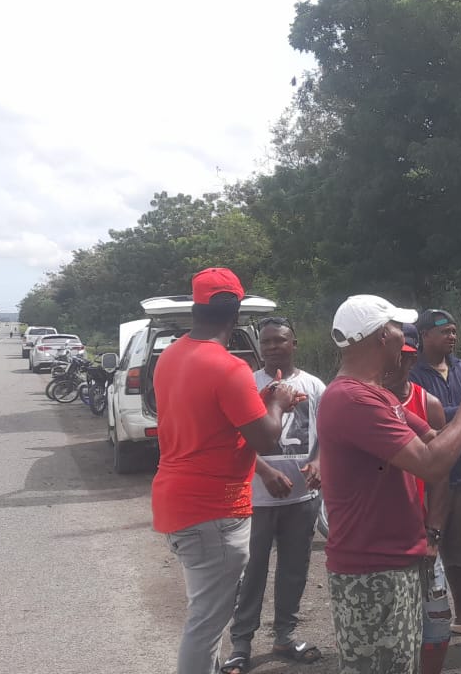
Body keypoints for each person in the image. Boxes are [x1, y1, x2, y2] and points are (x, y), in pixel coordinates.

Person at [319, 295, 461, 674]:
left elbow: (436, 440)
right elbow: (431, 463)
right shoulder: (353, 399)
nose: (404, 337)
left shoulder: (376, 395)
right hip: (372, 569)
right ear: (382, 337)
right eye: (398, 329)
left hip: (391, 562)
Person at [151, 268, 303, 674]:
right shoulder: (228, 367)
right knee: (206, 623)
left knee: (204, 611)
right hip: (212, 511)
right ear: (237, 313)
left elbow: (213, 424)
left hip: (178, 501)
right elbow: (266, 439)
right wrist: (277, 400)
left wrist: (259, 401)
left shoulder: (171, 357)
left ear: (196, 307)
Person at [223, 318, 327, 674]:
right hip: (256, 497)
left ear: (294, 343)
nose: (271, 347)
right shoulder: (247, 386)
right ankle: (241, 645)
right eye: (265, 342)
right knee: (251, 571)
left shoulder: (314, 385)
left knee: (294, 569)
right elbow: (233, 439)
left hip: (302, 498)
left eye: (279, 341)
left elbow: (328, 432)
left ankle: (285, 635)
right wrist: (265, 472)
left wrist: (317, 462)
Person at [409, 309, 461, 636]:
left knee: (459, 553)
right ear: (425, 335)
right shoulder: (412, 372)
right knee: (422, 549)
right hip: (424, 477)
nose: (452, 336)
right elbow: (421, 414)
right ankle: (423, 619)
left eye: (454, 331)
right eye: (444, 332)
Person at [386, 324, 453, 674]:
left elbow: (441, 477)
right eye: (395, 356)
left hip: (421, 533)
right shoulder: (362, 400)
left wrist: (434, 533)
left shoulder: (428, 404)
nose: (400, 364)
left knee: (438, 623)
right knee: (390, 629)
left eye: (407, 357)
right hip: (382, 542)